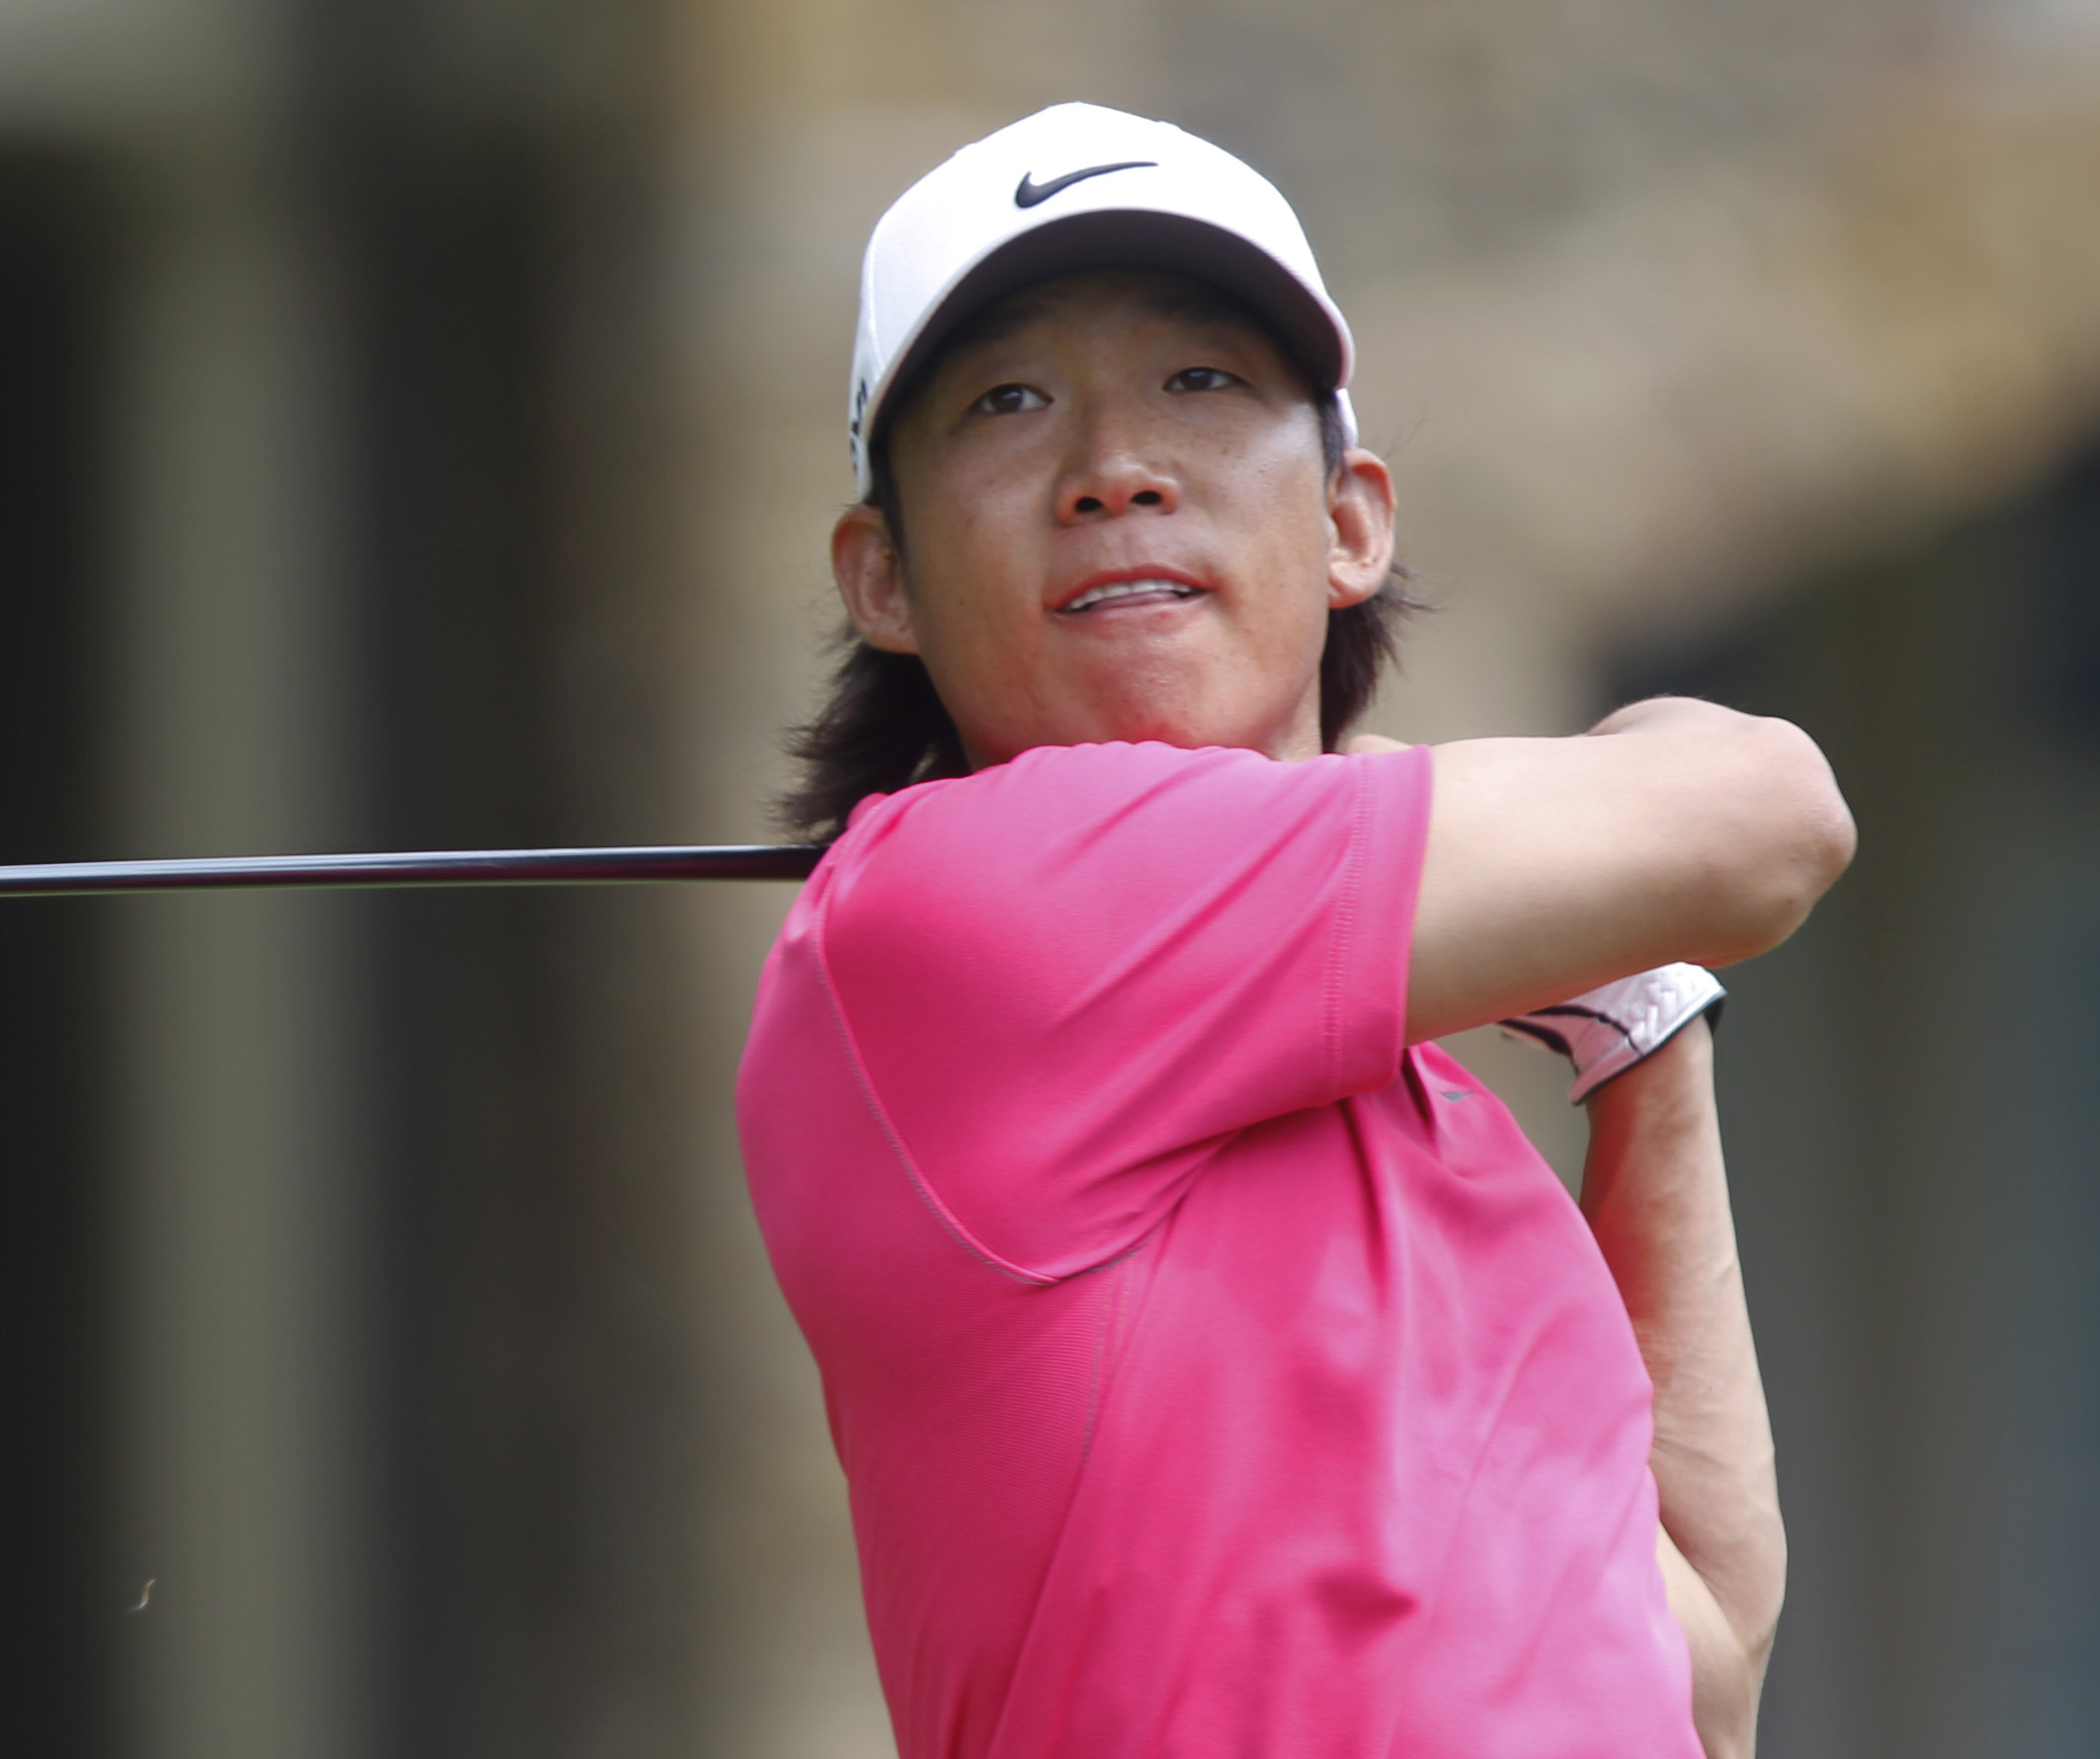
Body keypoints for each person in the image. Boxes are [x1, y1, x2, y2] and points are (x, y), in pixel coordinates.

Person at [734, 103, 1853, 1759]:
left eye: (1204, 384)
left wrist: (1638, 1027)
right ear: (881, 578)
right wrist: (1608, 791)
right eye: (1008, 402)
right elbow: (1772, 815)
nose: (1115, 466)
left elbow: (1698, 1654)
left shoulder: (1435, 1122)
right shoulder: (962, 906)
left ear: (1347, 522)